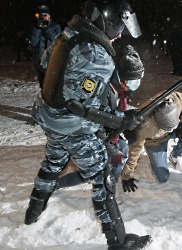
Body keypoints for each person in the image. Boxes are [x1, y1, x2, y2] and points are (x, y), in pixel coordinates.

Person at [24, 0, 151, 249]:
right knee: (102, 176)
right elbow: (82, 107)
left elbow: (43, 66)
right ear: (108, 20)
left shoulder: (69, 34)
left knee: (52, 164)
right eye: (120, 25)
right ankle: (119, 242)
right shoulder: (96, 54)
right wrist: (122, 120)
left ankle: (32, 214)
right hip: (71, 125)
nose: (121, 32)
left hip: (49, 114)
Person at [56, 45, 144, 189]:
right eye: (131, 81)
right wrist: (110, 148)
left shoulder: (120, 91)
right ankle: (56, 184)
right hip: (86, 133)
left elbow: (114, 116)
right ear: (120, 78)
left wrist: (126, 127)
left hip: (107, 133)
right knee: (92, 171)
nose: (134, 85)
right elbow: (95, 123)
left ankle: (109, 183)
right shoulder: (102, 90)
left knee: (122, 153)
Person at [120, 91, 182, 190]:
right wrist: (126, 175)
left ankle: (175, 155)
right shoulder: (143, 126)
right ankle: (153, 153)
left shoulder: (174, 100)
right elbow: (134, 152)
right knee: (163, 177)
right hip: (155, 142)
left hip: (170, 130)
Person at [29, 5, 61, 88]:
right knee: (43, 85)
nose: (43, 18)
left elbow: (58, 41)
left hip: (52, 60)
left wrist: (48, 29)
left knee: (52, 85)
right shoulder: (35, 27)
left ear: (49, 16)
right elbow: (33, 43)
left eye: (45, 15)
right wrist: (38, 29)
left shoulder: (55, 26)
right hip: (39, 60)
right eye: (41, 15)